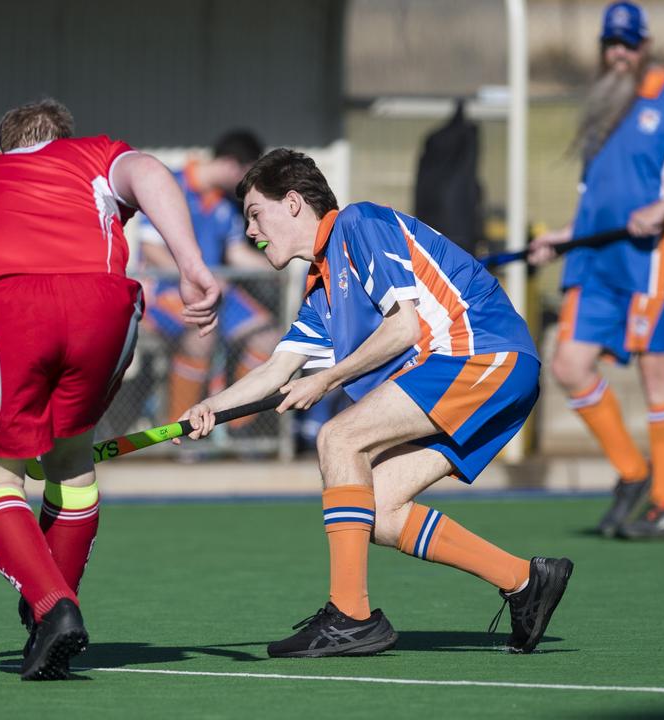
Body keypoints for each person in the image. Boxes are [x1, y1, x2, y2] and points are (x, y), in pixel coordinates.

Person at [183, 148, 573, 657]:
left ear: (295, 202)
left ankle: (350, 616)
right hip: (473, 372)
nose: (250, 231)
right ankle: (525, 581)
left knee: (338, 437)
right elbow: (277, 370)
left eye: (256, 214)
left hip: (481, 354)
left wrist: (327, 380)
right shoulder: (321, 286)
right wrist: (209, 407)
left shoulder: (358, 224)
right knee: (379, 511)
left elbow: (403, 327)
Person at [0, 99, 220, 680]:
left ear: (6, 148)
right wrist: (191, 262)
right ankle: (49, 603)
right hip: (106, 309)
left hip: (7, 308)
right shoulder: (95, 156)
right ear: (61, 137)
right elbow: (152, 170)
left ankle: (53, 605)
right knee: (71, 460)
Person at [529, 1, 664, 539]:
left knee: (657, 375)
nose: (619, 54)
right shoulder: (602, 107)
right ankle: (634, 474)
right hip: (595, 259)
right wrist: (563, 238)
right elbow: (599, 198)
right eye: (610, 44)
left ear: (645, 45)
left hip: (651, 260)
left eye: (628, 44)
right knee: (569, 365)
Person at [139, 131, 280, 429]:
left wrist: (280, 261)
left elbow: (236, 253)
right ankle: (179, 431)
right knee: (200, 339)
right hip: (170, 293)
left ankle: (235, 427)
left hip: (221, 296)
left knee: (271, 337)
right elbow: (150, 248)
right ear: (232, 165)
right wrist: (194, 274)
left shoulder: (226, 204)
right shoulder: (169, 185)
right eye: (247, 174)